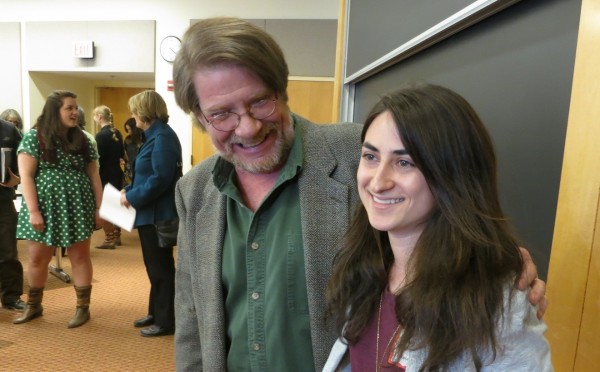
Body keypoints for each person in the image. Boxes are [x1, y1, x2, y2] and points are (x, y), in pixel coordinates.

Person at [171, 17, 547, 371]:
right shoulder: (195, 191)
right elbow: (191, 319)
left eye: (259, 102)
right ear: (200, 118)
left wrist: (498, 265)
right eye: (221, 114)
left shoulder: (361, 154)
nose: (249, 127)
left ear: (282, 91)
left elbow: (451, 198)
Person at [324, 83, 552, 371]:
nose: (378, 182)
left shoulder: (494, 301)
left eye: (404, 162)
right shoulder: (365, 268)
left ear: (451, 176)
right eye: (371, 157)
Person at [14, 90, 103, 328]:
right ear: (55, 111)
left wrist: (99, 208)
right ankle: (34, 305)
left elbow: (94, 175)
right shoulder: (34, 137)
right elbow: (27, 176)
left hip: (77, 206)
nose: (75, 112)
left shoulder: (84, 138)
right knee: (37, 258)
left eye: (76, 108)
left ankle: (83, 308)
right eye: (69, 108)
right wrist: (33, 211)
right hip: (43, 206)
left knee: (80, 256)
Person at [120, 90, 182, 337]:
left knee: (161, 269)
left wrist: (132, 197)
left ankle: (167, 321)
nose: (132, 116)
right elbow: (144, 174)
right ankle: (155, 312)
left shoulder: (163, 138)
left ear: (144, 111)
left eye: (134, 110)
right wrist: (127, 190)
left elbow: (160, 179)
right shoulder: (153, 136)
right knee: (153, 267)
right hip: (149, 214)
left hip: (158, 214)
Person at [0, 118, 25, 311]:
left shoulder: (9, 130)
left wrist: (16, 179)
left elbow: (22, 160)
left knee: (8, 251)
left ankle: (11, 297)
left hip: (3, 198)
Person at [93, 105, 124, 249]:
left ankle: (109, 238)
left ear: (99, 116)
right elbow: (121, 154)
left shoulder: (100, 136)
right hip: (117, 172)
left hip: (105, 173)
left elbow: (97, 158)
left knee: (104, 204)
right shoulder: (118, 133)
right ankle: (117, 235)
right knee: (116, 203)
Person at [122, 117, 143, 186]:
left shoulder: (143, 140)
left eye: (129, 129)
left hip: (141, 169)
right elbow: (125, 156)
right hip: (130, 170)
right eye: (127, 130)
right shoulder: (127, 141)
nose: (128, 132)